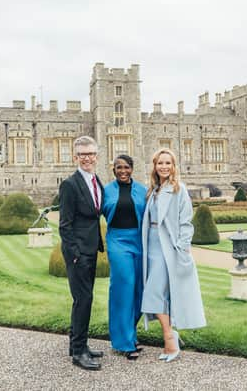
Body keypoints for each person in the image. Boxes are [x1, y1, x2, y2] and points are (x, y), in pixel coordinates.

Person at [141, 148, 206, 362]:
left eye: (168, 163)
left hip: (166, 246)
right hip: (150, 245)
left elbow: (186, 221)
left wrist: (183, 247)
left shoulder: (179, 189)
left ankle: (170, 339)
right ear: (155, 166)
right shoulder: (153, 190)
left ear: (174, 166)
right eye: (160, 163)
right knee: (157, 293)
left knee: (153, 293)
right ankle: (170, 335)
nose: (164, 167)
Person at [58, 136, 105, 371]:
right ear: (75, 157)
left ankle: (78, 345)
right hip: (78, 253)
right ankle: (78, 352)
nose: (87, 158)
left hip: (91, 249)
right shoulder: (70, 184)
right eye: (83, 154)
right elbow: (64, 225)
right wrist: (75, 254)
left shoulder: (96, 180)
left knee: (84, 300)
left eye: (91, 153)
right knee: (83, 300)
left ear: (97, 155)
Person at [102, 154, 147, 360]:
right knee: (124, 287)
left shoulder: (142, 190)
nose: (122, 171)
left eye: (126, 167)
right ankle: (124, 342)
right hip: (117, 241)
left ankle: (131, 333)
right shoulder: (106, 191)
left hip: (138, 241)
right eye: (118, 167)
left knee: (139, 289)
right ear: (113, 170)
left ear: (132, 169)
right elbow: (92, 215)